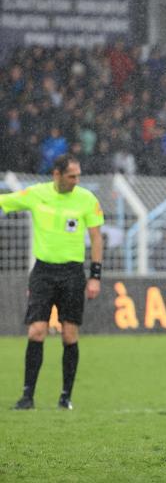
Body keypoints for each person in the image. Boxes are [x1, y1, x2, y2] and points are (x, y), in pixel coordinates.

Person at [1, 154, 104, 410]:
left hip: (72, 273)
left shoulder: (87, 199)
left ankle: (65, 397)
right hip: (43, 272)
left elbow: (96, 238)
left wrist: (95, 276)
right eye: (72, 176)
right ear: (56, 175)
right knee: (37, 330)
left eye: (78, 175)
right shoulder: (37, 194)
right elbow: (5, 201)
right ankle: (27, 397)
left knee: (69, 334)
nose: (76, 181)